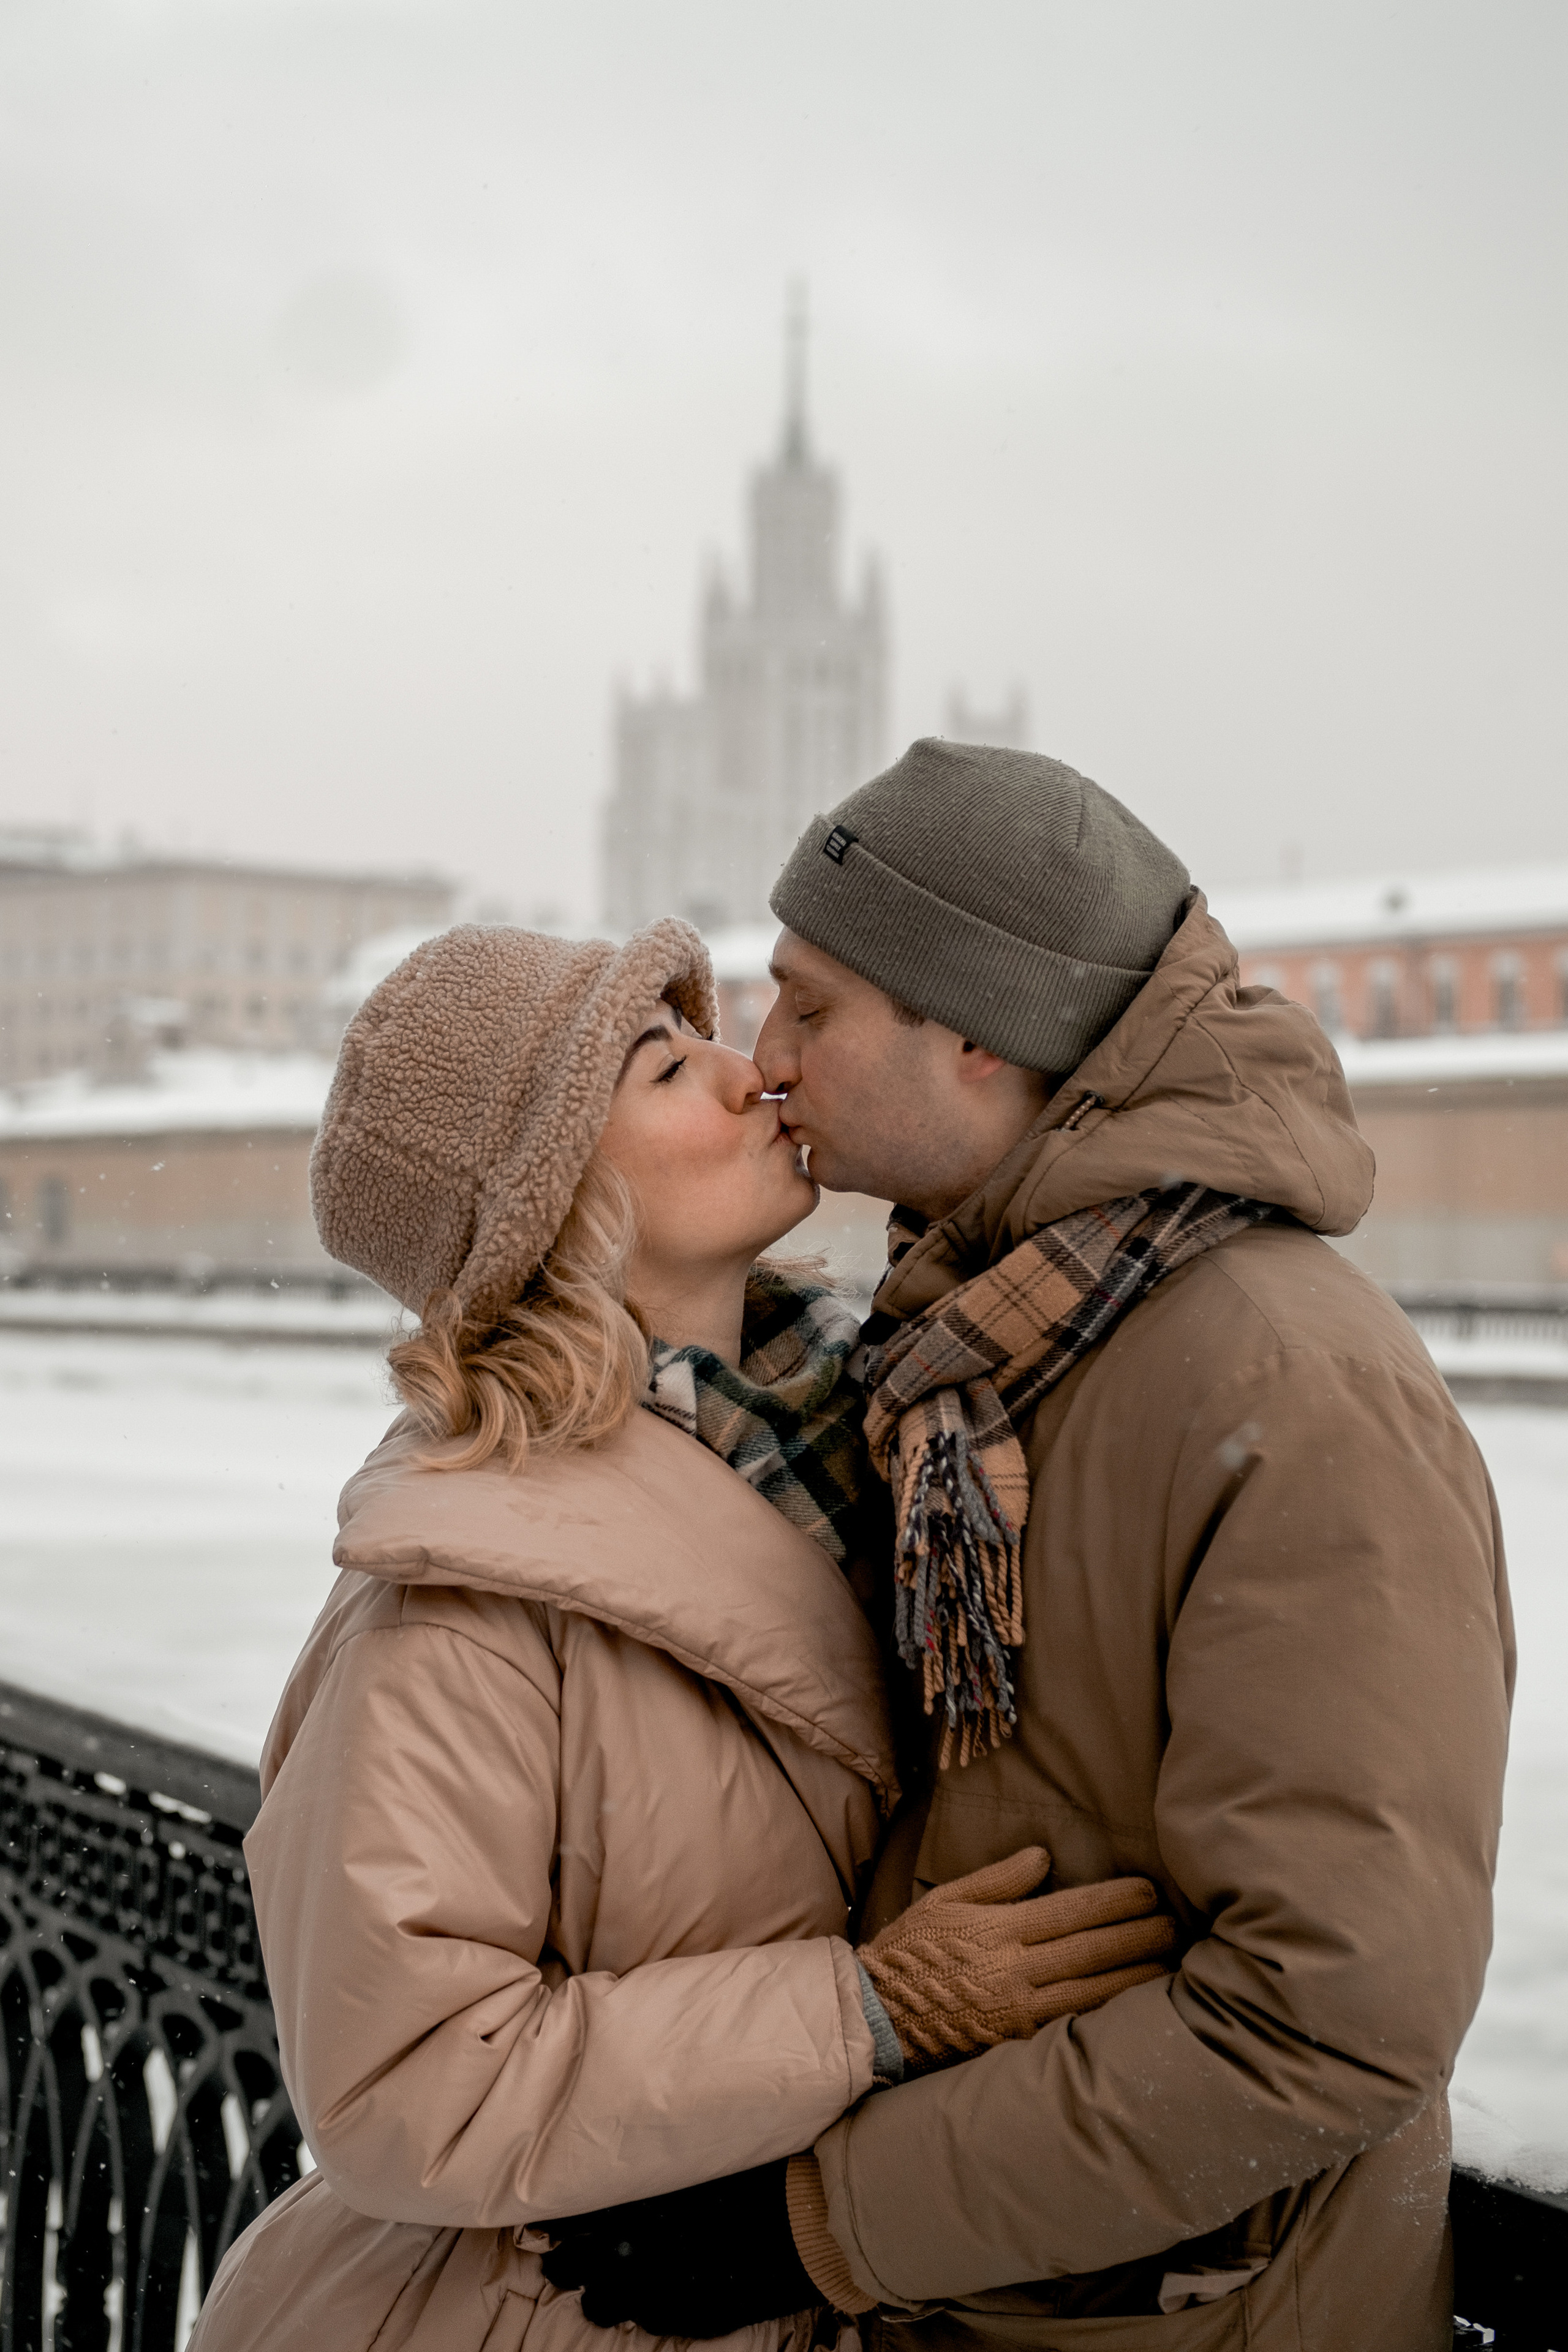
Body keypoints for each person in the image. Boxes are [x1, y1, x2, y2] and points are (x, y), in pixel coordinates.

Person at [546, 744, 1515, 2352]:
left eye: (810, 1007)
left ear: (977, 1034)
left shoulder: (1288, 1388)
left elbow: (1332, 2019)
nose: (764, 1061)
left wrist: (826, 2221)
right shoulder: (983, 1350)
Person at [190, 914, 1174, 2352]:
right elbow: (407, 2086)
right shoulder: (458, 1609)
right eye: (665, 1068)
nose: (749, 1073)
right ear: (555, 1207)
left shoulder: (893, 1437)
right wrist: (868, 2009)